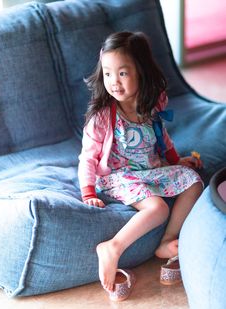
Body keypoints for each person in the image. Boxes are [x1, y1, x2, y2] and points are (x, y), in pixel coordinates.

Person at [78, 31, 203, 293]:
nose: (114, 82)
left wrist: (175, 161)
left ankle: (166, 241)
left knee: (194, 181)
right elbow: (87, 157)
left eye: (122, 73)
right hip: (117, 176)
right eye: (108, 73)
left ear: (141, 72)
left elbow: (162, 137)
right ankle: (113, 247)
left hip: (150, 170)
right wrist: (88, 191)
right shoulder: (103, 116)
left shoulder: (153, 105)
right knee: (157, 208)